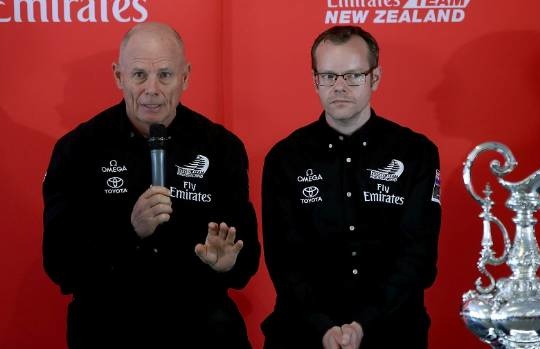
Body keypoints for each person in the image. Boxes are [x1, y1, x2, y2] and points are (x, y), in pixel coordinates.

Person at [42, 22, 260, 349]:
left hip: (202, 328)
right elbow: (60, 263)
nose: (152, 89)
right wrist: (129, 231)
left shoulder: (221, 147)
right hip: (109, 327)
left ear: (185, 77)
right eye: (139, 74)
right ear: (119, 76)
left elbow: (246, 262)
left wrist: (229, 263)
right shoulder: (78, 148)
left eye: (166, 75)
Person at [261, 25, 442, 349]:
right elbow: (284, 258)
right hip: (303, 331)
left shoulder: (416, 153)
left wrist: (363, 324)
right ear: (315, 80)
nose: (340, 87)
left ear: (375, 77)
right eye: (329, 76)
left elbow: (418, 256)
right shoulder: (285, 158)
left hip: (393, 330)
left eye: (353, 75)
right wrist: (323, 327)